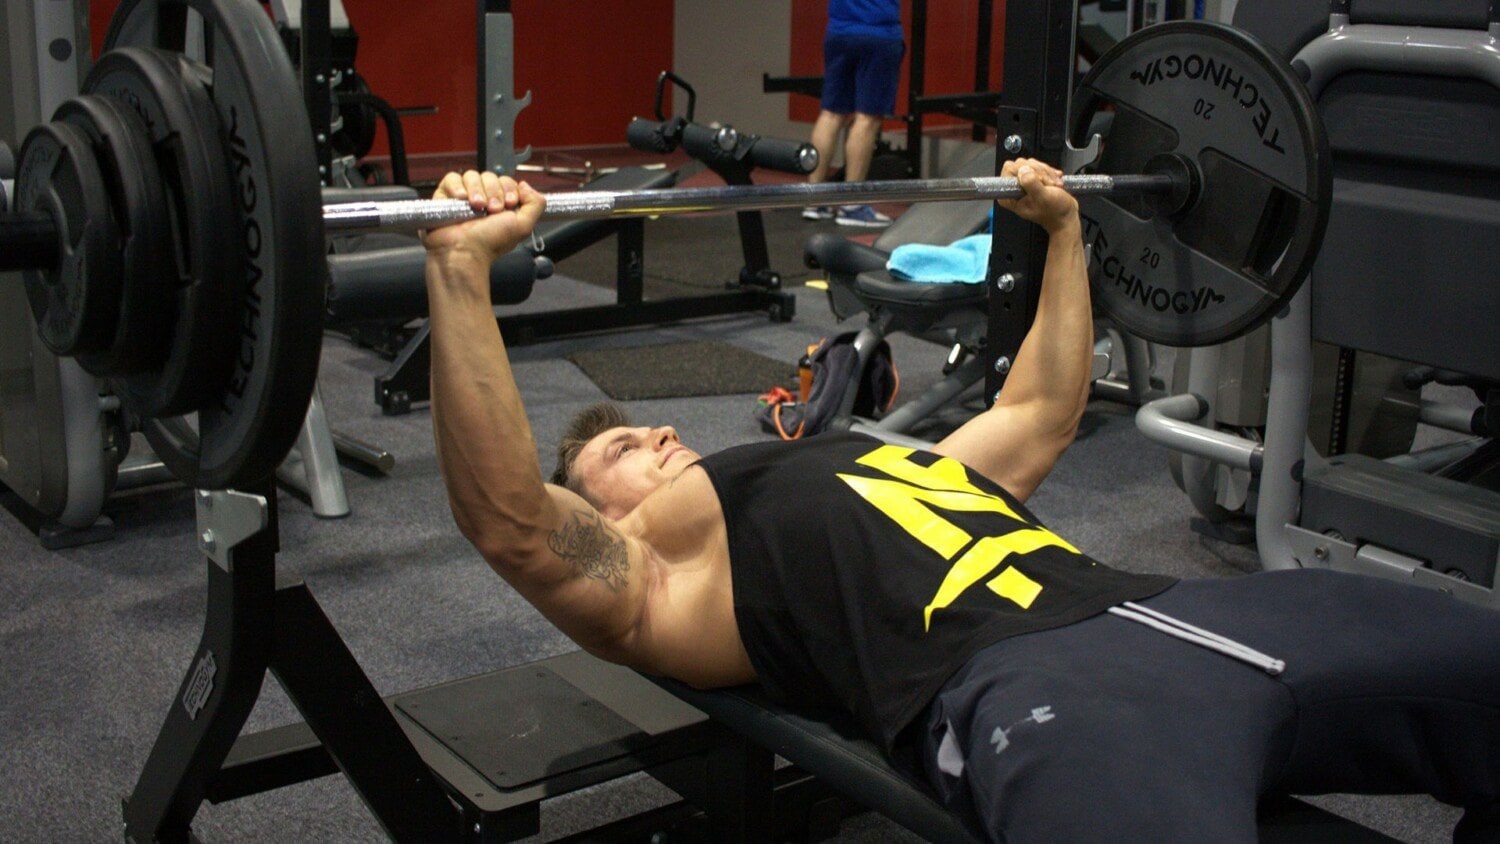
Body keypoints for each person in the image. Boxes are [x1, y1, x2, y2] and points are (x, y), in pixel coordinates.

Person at [421, 162, 1500, 842]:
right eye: (616, 446)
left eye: (646, 424)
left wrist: (1068, 234)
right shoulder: (666, 570)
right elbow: (511, 522)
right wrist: (461, 271)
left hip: (1175, 608)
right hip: (1038, 692)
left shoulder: (860, 456)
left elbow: (1039, 407)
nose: (656, 432)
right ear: (597, 509)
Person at [801, 0, 906, 227]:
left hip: (839, 33)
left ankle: (814, 199)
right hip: (878, 33)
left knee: (831, 113)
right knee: (867, 118)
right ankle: (852, 206)